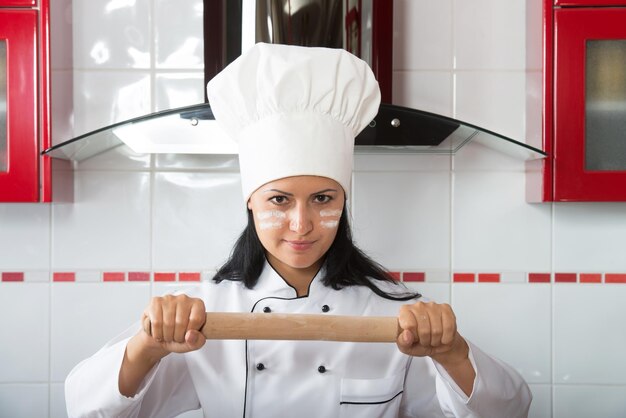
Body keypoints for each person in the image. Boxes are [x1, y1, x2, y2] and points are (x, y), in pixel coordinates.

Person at [65, 43, 531, 418]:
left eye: (323, 199)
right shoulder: (202, 314)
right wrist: (147, 345)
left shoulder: (399, 315)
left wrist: (451, 351)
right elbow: (85, 407)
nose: (302, 224)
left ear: (344, 202)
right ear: (250, 201)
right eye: (279, 200)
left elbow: (510, 409)